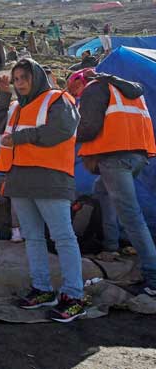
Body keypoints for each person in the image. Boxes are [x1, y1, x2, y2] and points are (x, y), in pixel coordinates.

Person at [0, 58, 86, 322]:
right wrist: (2, 94)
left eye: (24, 78)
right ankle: (42, 289)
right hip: (20, 179)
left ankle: (74, 296)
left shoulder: (57, 99)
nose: (19, 83)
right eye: (16, 79)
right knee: (32, 237)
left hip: (51, 179)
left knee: (63, 238)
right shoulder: (15, 107)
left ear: (37, 76)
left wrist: (20, 138)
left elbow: (61, 131)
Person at [68, 69, 156, 297]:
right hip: (137, 155)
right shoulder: (124, 89)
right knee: (101, 191)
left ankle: (153, 277)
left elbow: (89, 128)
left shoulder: (93, 89)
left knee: (131, 216)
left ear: (81, 81)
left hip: (115, 158)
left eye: (74, 88)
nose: (75, 94)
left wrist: (67, 135)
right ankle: (111, 246)